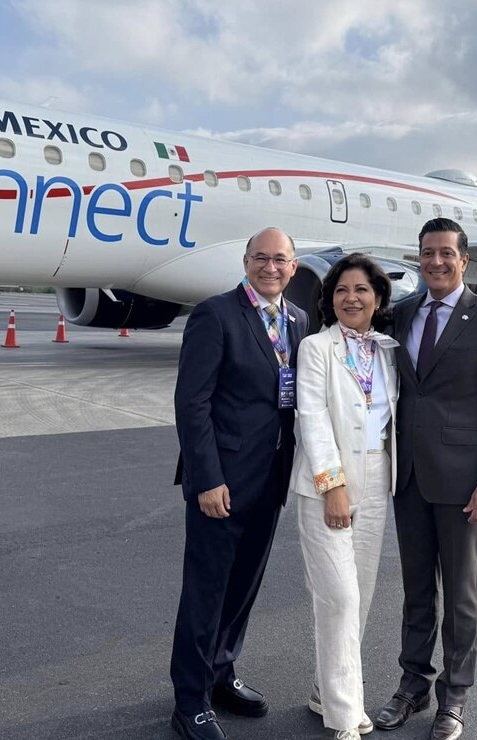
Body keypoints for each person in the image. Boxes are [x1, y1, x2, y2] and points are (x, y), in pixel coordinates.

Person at [373, 218, 477, 740]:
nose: (435, 262)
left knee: (460, 595)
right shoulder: (403, 314)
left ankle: (453, 698)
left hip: (463, 484)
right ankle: (412, 685)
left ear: (464, 260)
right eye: (427, 254)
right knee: (416, 591)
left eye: (445, 254)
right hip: (408, 476)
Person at [170, 227, 309, 740]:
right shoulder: (216, 314)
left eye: (280, 260)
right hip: (221, 484)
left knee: (243, 588)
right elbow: (193, 403)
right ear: (245, 261)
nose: (270, 267)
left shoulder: (297, 320)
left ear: (293, 268)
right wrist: (206, 478)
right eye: (260, 258)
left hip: (269, 479)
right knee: (206, 591)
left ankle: (221, 674)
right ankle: (190, 699)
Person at [289, 254, 399, 740]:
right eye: (341, 290)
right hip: (326, 483)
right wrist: (332, 486)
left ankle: (324, 690)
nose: (350, 298)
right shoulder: (316, 347)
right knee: (339, 597)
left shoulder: (387, 350)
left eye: (361, 290)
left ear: (378, 299)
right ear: (329, 299)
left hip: (376, 480)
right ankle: (344, 715)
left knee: (362, 597)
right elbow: (310, 417)